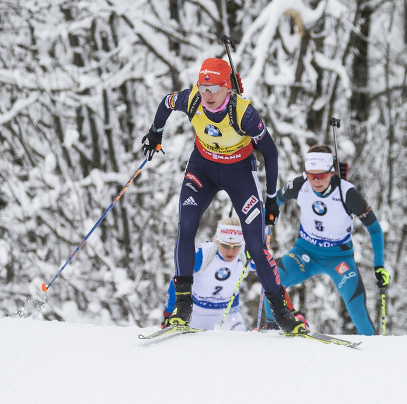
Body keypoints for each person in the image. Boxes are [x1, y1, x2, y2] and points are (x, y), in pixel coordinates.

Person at [141, 57, 305, 333]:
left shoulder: (244, 114)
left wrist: (271, 198)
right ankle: (183, 306)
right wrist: (155, 132)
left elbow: (271, 152)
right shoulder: (192, 99)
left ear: (228, 88)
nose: (208, 95)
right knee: (186, 226)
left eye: (214, 88)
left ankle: (281, 312)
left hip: (240, 172)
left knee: (255, 245)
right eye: (203, 88)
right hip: (202, 168)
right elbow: (166, 103)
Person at [264, 145, 390, 335]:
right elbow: (272, 203)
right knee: (271, 286)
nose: (316, 181)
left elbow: (375, 229)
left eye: (322, 175)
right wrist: (260, 237)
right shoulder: (299, 185)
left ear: (332, 171)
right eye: (311, 175)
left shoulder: (347, 194)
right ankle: (273, 334)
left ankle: (374, 355)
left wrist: (379, 265)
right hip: (304, 253)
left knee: (358, 311)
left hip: (339, 259)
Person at [162, 217, 256, 331]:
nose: (231, 251)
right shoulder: (204, 254)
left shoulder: (246, 255)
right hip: (196, 312)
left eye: (236, 246)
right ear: (217, 241)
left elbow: (269, 277)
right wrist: (168, 313)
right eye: (225, 245)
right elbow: (177, 281)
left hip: (229, 312)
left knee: (240, 341)